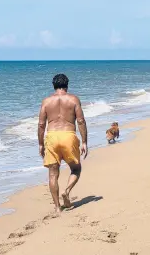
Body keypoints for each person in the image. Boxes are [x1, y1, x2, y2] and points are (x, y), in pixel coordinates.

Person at [37, 73, 88, 214]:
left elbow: (41, 124)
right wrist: (84, 142)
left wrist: (40, 144)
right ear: (67, 85)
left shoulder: (46, 101)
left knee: (53, 174)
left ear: (54, 86)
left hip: (52, 137)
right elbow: (81, 121)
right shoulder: (73, 99)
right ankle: (66, 191)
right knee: (76, 169)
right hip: (68, 136)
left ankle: (57, 207)